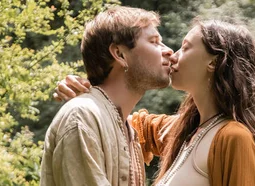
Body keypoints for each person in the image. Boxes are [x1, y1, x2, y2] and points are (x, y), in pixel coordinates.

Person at [55, 19, 255, 186]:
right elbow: (121, 124)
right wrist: (88, 94)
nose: (173, 55)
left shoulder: (234, 137)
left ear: (213, 62)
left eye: (185, 48)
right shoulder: (185, 129)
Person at [40, 6, 174, 186]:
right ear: (119, 54)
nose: (169, 51)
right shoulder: (82, 117)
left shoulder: (129, 131)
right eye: (154, 42)